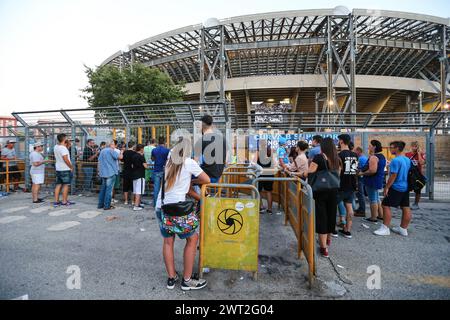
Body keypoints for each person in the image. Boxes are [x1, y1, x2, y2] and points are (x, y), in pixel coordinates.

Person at [154, 139, 210, 290]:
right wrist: (193, 182)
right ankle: (187, 280)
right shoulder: (189, 162)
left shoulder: (169, 162)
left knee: (168, 242)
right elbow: (207, 179)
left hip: (162, 206)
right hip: (178, 209)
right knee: (193, 239)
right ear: (187, 151)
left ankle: (171, 278)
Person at [306, 137, 341, 258]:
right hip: (334, 190)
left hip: (321, 191)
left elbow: (309, 172)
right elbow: (338, 175)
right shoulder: (337, 159)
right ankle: (328, 241)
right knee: (331, 215)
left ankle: (323, 248)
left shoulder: (319, 158)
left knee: (322, 218)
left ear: (323, 147)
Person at [374, 141, 412, 237]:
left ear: (397, 148)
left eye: (391, 147)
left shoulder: (395, 160)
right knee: (405, 207)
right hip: (405, 186)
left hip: (396, 187)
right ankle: (403, 229)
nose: (390, 149)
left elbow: (393, 175)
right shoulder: (407, 159)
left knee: (385, 205)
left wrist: (387, 187)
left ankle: (385, 228)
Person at [337, 134, 358, 239]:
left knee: (332, 206)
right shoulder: (354, 155)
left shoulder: (339, 155)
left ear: (341, 141)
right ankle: (347, 230)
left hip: (341, 185)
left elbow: (337, 172)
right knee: (349, 207)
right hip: (351, 184)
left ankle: (333, 230)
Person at [360, 140, 386, 223]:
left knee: (372, 200)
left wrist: (362, 173)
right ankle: (381, 215)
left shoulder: (374, 157)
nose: (369, 147)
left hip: (372, 181)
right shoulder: (382, 156)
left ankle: (373, 217)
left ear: (374, 147)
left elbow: (372, 170)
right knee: (377, 198)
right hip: (378, 179)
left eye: (370, 145)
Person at [196, 114, 227, 183]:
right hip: (218, 176)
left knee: (186, 179)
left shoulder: (201, 140)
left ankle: (202, 194)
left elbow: (195, 162)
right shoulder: (223, 139)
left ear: (202, 125)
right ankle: (205, 193)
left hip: (207, 177)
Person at [97, 141, 122, 210]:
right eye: (114, 145)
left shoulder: (102, 151)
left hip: (103, 173)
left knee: (103, 189)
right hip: (111, 172)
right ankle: (107, 206)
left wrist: (98, 171)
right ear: (111, 145)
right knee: (109, 190)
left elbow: (99, 161)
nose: (115, 146)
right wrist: (121, 152)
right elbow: (120, 157)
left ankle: (100, 205)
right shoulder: (111, 150)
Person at [53, 133, 74, 207]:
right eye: (67, 138)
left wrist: (67, 145)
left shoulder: (56, 147)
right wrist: (71, 167)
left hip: (58, 168)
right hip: (65, 169)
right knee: (66, 185)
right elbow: (65, 159)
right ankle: (64, 201)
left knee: (58, 185)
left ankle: (56, 201)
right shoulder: (63, 148)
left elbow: (62, 151)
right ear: (64, 139)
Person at [405, 141, 426, 210]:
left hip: (418, 174)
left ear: (418, 147)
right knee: (407, 189)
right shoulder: (407, 154)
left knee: (418, 189)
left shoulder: (422, 154)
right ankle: (405, 203)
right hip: (409, 174)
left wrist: (419, 153)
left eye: (416, 146)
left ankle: (416, 204)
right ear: (411, 146)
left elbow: (422, 163)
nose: (414, 148)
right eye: (413, 146)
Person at [256, 141, 275, 214]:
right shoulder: (271, 152)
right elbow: (274, 163)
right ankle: (270, 209)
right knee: (269, 191)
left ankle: (261, 207)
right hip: (270, 173)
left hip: (260, 174)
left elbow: (254, 162)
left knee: (259, 191)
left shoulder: (258, 152)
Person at [151, 137, 170, 207]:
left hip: (156, 169)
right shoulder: (167, 150)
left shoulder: (154, 150)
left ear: (158, 142)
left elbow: (152, 159)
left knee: (156, 188)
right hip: (164, 170)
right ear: (164, 142)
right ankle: (164, 203)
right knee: (165, 187)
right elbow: (169, 160)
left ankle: (156, 204)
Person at [132, 144, 149, 211]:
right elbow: (146, 166)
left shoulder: (133, 156)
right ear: (141, 149)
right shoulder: (141, 156)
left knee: (136, 191)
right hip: (140, 175)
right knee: (139, 191)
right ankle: (136, 206)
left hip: (134, 174)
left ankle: (137, 203)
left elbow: (132, 165)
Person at [354, 146, 368, 216]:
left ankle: (362, 210)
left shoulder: (361, 159)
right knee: (360, 194)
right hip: (363, 178)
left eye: (355, 151)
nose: (354, 152)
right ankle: (360, 208)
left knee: (360, 194)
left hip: (360, 178)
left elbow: (360, 169)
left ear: (359, 151)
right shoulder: (364, 158)